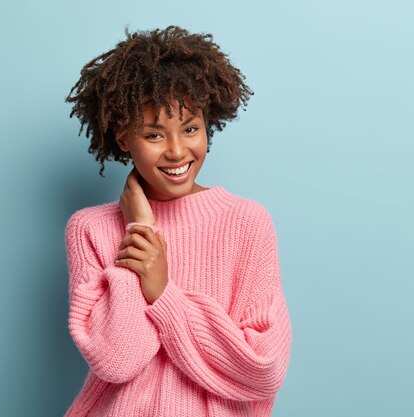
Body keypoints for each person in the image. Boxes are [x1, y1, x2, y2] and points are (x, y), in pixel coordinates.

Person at [63, 25, 292, 417]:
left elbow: (262, 367)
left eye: (190, 129)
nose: (176, 151)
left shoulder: (247, 222)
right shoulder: (90, 229)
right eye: (154, 135)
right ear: (122, 137)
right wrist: (140, 230)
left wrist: (162, 292)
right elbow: (118, 359)